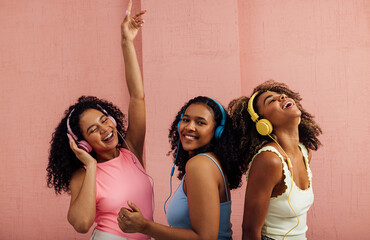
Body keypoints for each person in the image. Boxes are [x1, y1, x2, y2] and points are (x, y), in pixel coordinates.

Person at [46, 2, 152, 239]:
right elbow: (82, 224)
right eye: (94, 129)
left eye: (105, 120)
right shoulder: (82, 173)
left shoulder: (130, 152)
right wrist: (92, 166)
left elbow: (137, 96)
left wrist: (127, 42)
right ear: (83, 142)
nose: (105, 128)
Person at [117, 96, 247, 240]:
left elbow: (205, 238)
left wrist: (144, 226)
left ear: (218, 132)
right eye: (185, 120)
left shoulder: (200, 165)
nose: (189, 127)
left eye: (200, 122)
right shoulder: (208, 162)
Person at [228, 80, 322, 240]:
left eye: (282, 95)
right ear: (263, 123)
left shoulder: (304, 151)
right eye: (271, 100)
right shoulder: (269, 160)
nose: (282, 97)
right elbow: (250, 231)